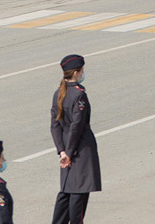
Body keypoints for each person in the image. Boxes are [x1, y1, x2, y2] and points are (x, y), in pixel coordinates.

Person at [50, 54, 101, 224]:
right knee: (79, 192)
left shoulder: (59, 92)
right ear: (77, 73)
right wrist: (70, 153)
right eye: (82, 71)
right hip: (79, 150)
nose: (83, 74)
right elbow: (77, 126)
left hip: (65, 147)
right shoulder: (79, 95)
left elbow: (55, 125)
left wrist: (62, 150)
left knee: (66, 191)